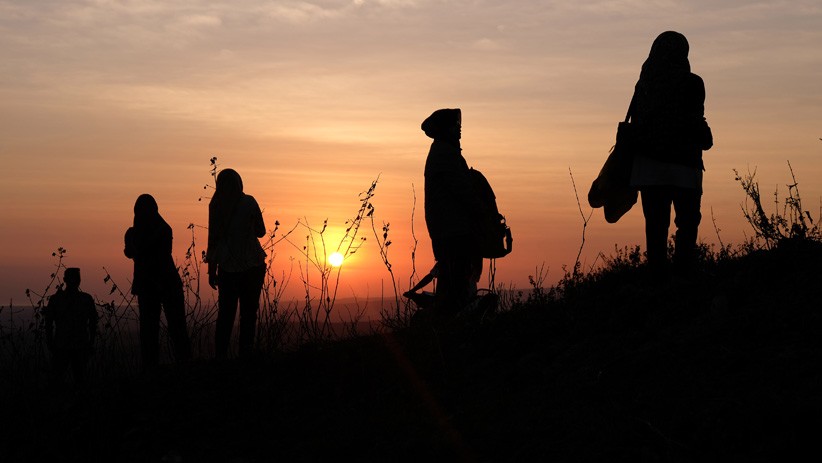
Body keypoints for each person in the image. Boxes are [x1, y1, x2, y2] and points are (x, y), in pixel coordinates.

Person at [628, 31, 714, 280]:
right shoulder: (693, 83)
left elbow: (639, 123)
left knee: (655, 228)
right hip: (685, 168)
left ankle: (657, 282)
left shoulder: (644, 84)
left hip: (650, 169)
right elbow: (695, 120)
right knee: (687, 226)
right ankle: (684, 280)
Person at [422, 108, 484, 314]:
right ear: (444, 129)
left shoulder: (444, 152)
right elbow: (462, 190)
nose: (459, 131)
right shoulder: (445, 154)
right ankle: (450, 323)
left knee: (452, 278)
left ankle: (446, 321)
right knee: (456, 279)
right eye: (455, 126)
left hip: (448, 228)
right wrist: (481, 212)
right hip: (452, 229)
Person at [124, 194, 191, 370]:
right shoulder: (146, 231)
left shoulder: (160, 230)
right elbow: (131, 252)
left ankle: (180, 364)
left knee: (171, 328)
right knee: (152, 330)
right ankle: (155, 366)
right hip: (154, 284)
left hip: (162, 283)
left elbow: (141, 253)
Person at [206, 168, 267, 358]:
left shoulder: (216, 204)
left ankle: (220, 357)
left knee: (225, 316)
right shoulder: (248, 201)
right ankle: (245, 356)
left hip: (227, 268)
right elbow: (261, 231)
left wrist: (211, 270)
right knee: (248, 315)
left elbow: (212, 240)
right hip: (252, 266)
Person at [44, 267, 98, 385]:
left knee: (66, 380)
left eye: (75, 278)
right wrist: (91, 342)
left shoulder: (57, 299)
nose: (74, 281)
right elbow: (93, 322)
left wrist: (50, 343)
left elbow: (48, 324)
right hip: (69, 345)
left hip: (70, 345)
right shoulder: (85, 299)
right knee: (74, 380)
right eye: (73, 278)